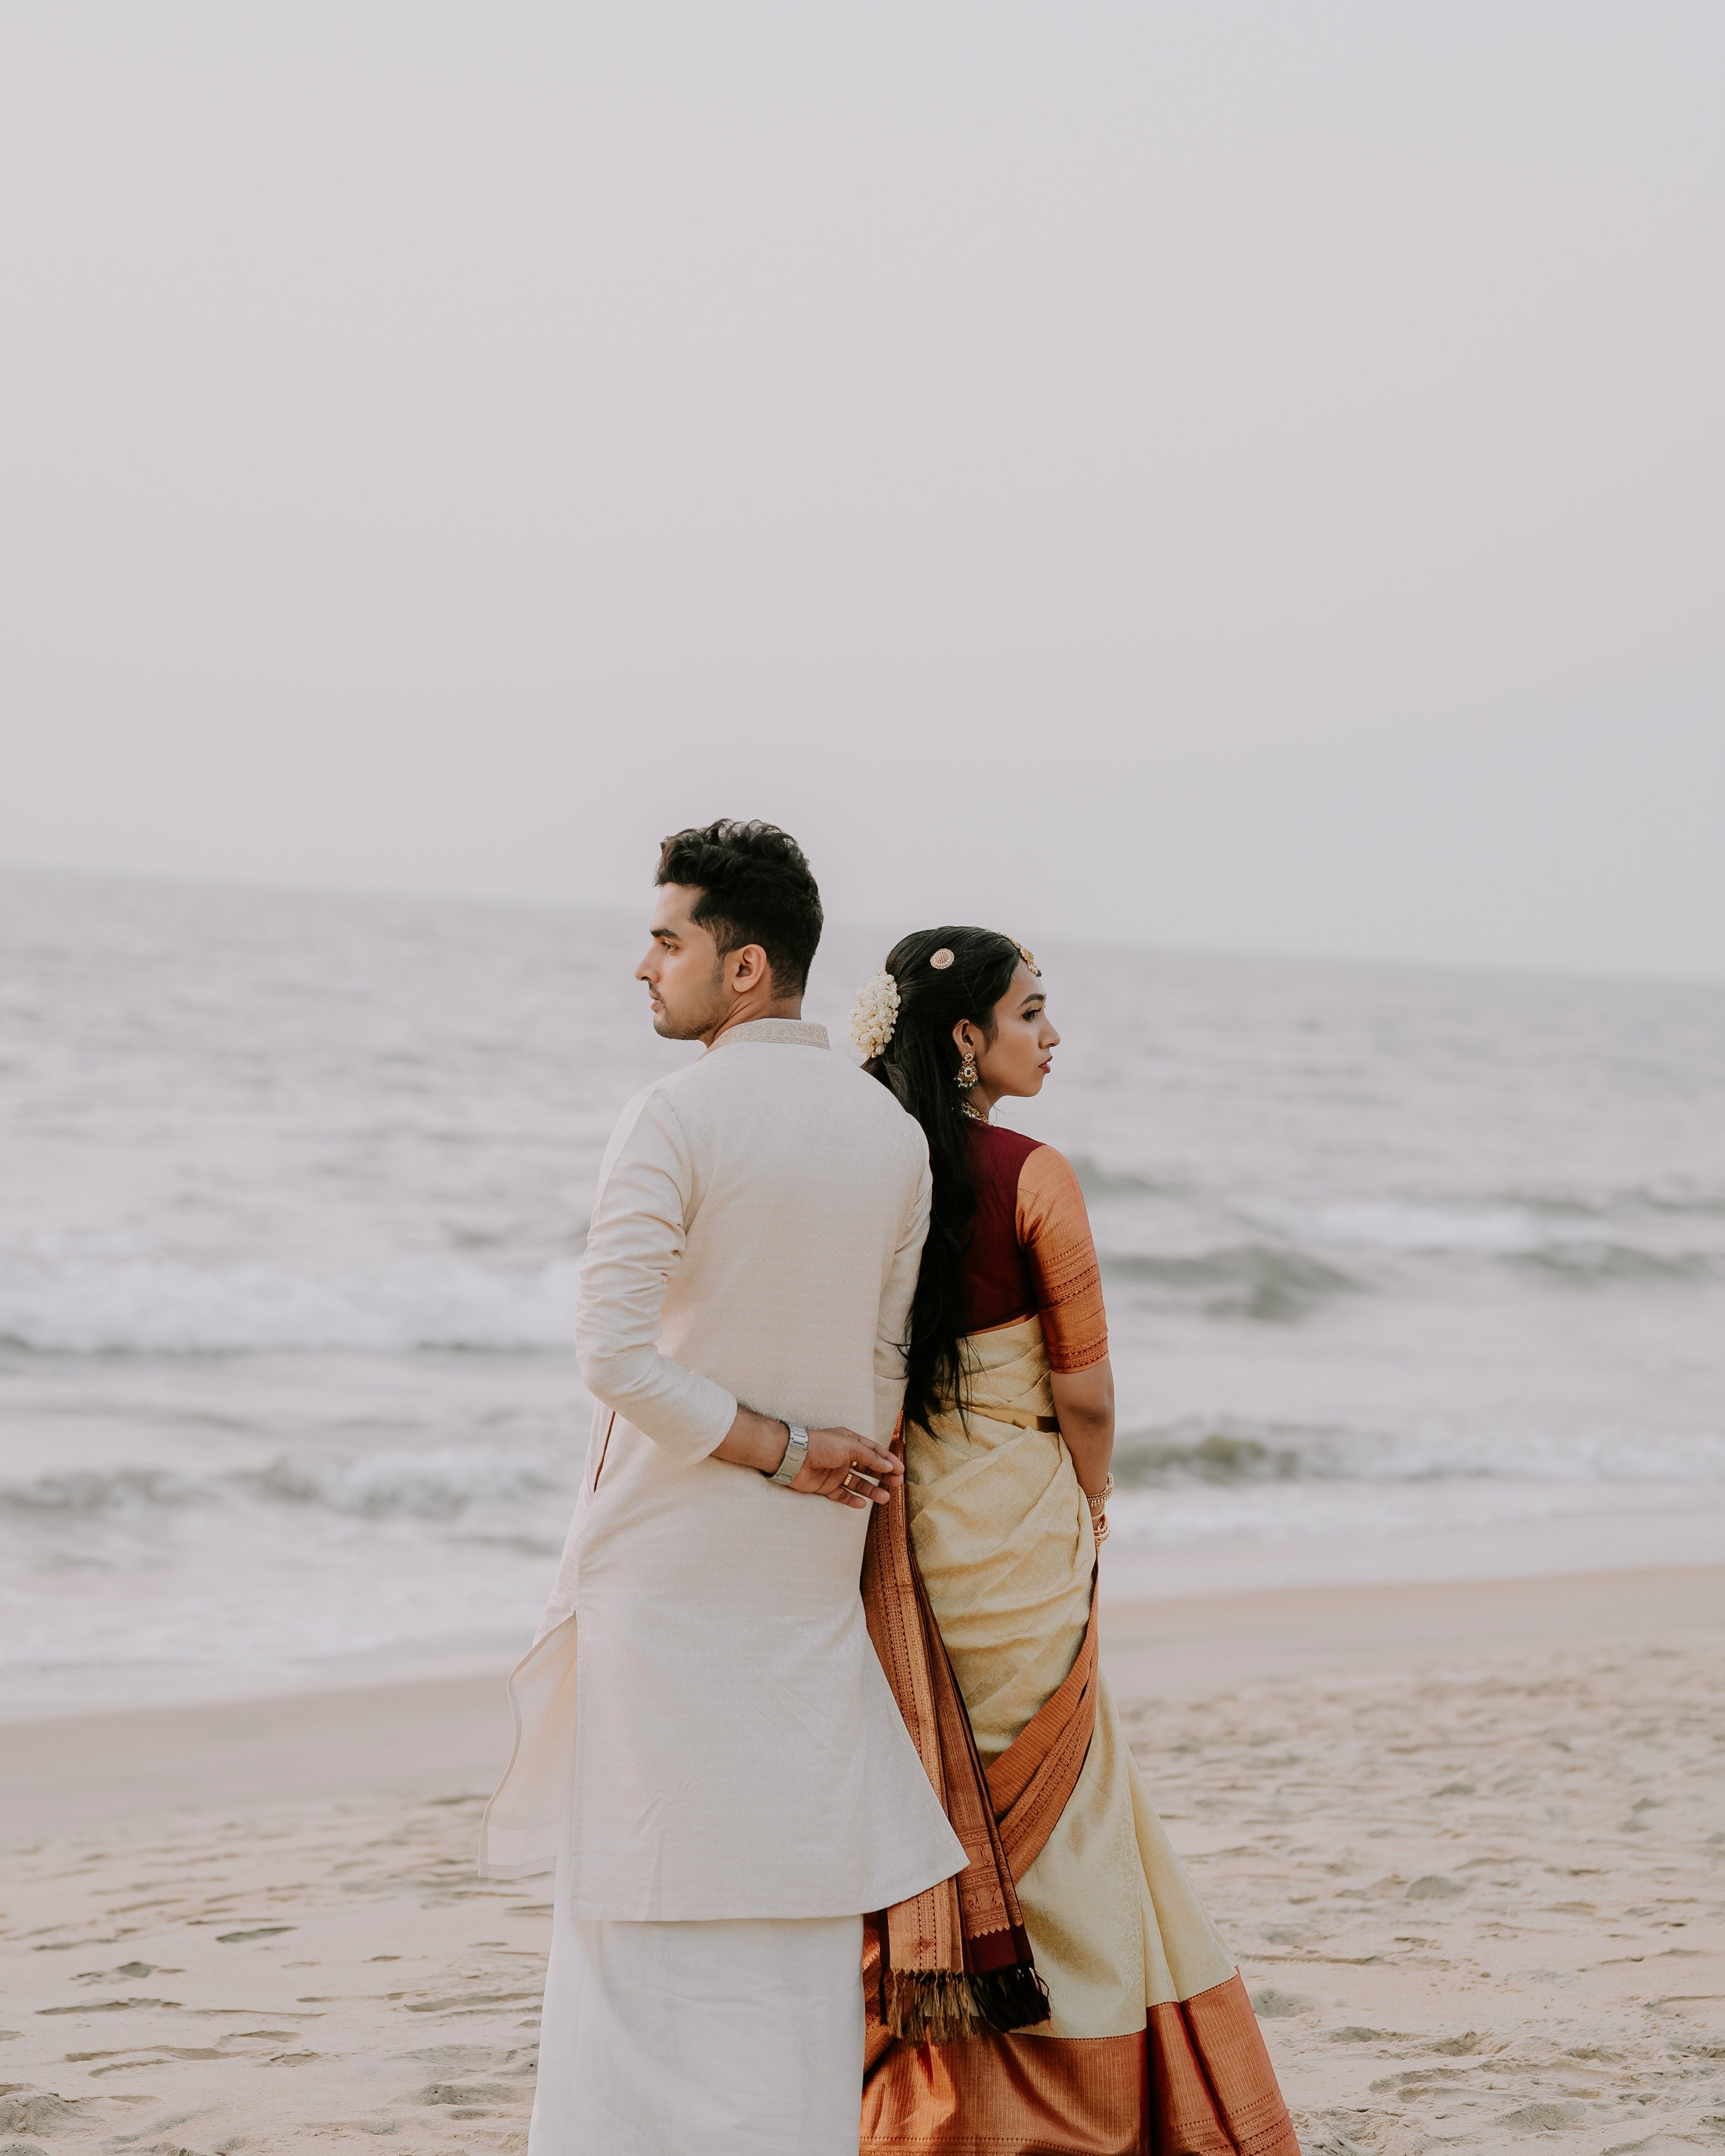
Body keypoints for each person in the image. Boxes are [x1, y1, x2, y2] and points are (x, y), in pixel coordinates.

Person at [480, 822, 965, 2156]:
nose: (643, 967)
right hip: (800, 1570)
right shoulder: (887, 1136)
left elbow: (612, 1355)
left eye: (667, 940)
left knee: (635, 1919)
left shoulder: (672, 1115)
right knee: (787, 1923)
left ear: (744, 967)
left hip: (671, 1563)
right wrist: (813, 1460)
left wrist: (768, 1446)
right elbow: (875, 1377)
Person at [852, 926, 1298, 2156]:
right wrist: (1093, 1502)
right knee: (1062, 1813)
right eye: (1032, 1013)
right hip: (1013, 1520)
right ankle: (1082, 2110)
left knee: (939, 1802)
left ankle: (927, 2102)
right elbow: (1087, 1393)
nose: (1053, 1036)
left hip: (895, 1531)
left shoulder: (868, 1170)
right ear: (964, 1038)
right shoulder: (1033, 1172)